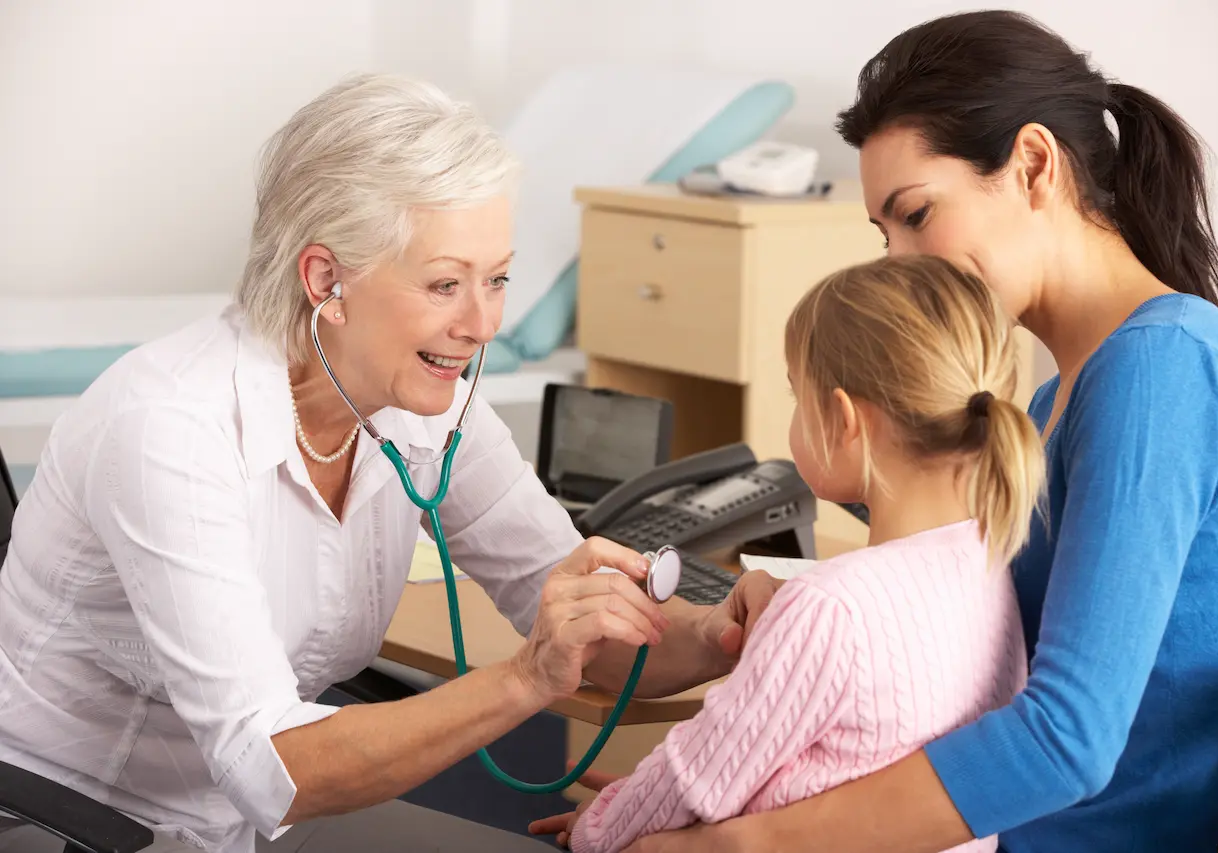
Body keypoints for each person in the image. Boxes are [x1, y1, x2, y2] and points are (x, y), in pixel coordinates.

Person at [548, 10, 1218, 853]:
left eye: (918, 214)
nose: (900, 263)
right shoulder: (1056, 396)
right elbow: (971, 646)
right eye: (883, 231)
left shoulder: (1160, 371)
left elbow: (1064, 740)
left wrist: (740, 841)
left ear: (1034, 165)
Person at [0, 74, 778, 853]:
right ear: (325, 282)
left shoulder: (424, 405)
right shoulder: (172, 427)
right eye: (445, 284)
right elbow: (271, 764)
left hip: (250, 821)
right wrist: (520, 679)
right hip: (77, 819)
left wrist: (721, 631)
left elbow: (586, 625)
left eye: (497, 278)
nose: (481, 324)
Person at [534, 255, 1044, 853]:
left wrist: (598, 828)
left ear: (846, 420)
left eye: (797, 395)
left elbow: (696, 780)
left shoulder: (831, 607)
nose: (794, 415)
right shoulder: (989, 563)